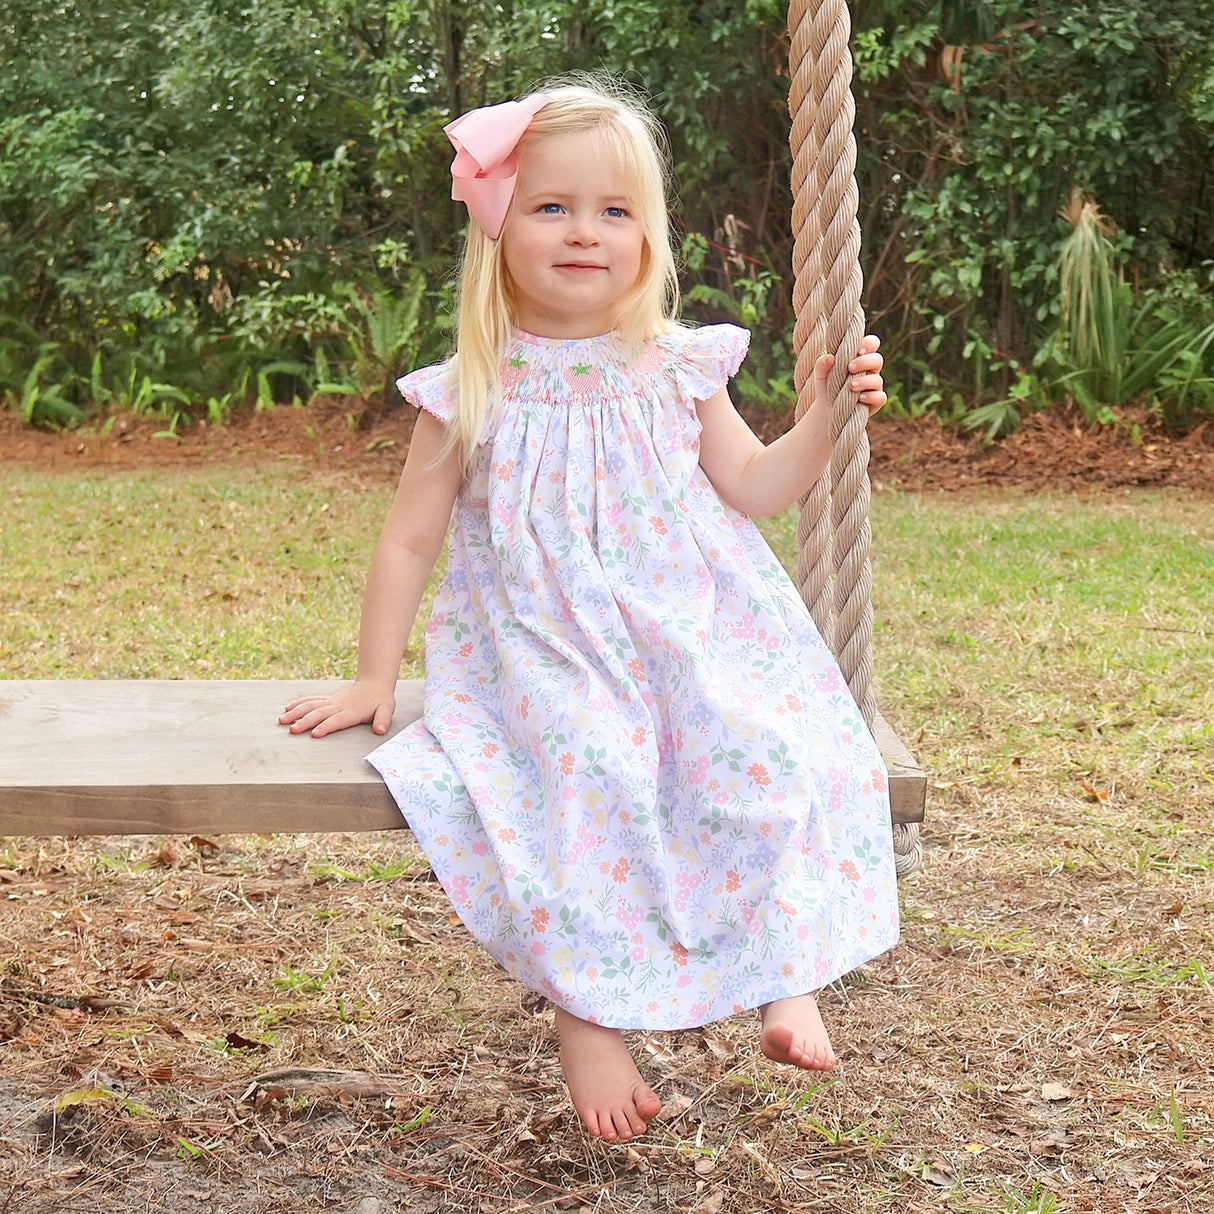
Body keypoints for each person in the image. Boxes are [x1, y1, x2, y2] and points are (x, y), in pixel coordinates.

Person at [280, 76, 898, 1144]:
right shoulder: (471, 386)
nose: (584, 232)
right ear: (499, 225)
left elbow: (754, 486)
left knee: (768, 748)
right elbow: (408, 537)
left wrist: (829, 410)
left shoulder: (674, 365)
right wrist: (373, 677)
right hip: (542, 641)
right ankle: (586, 1014)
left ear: (647, 239)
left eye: (614, 211)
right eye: (551, 206)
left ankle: (788, 976)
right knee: (582, 762)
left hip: (684, 627)